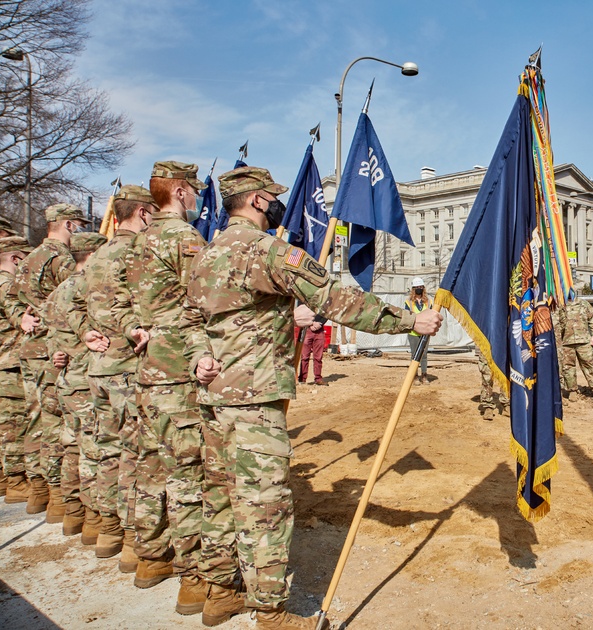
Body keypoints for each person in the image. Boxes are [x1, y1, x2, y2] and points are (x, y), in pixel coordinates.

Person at [180, 166, 442, 628]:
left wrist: (200, 356)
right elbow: (337, 300)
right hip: (254, 399)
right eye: (271, 197)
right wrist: (408, 321)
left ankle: (218, 591)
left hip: (213, 397)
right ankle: (270, 611)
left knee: (219, 494)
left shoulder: (206, 253)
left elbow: (187, 320)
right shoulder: (267, 250)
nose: (277, 203)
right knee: (265, 503)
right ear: (258, 201)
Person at [124, 162, 208, 610]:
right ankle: (194, 578)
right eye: (194, 190)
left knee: (150, 467)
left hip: (148, 373)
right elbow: (205, 299)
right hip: (180, 372)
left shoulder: (135, 242)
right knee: (187, 476)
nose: (197, 198)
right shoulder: (183, 238)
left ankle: (150, 558)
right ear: (179, 190)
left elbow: (117, 300)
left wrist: (131, 327)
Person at [77, 184, 154, 563]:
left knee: (105, 451)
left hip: (99, 370)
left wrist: (82, 332)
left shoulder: (97, 255)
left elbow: (69, 302)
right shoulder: (137, 251)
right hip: (128, 369)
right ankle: (129, 541)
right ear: (143, 213)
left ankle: (102, 527)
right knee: (136, 456)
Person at [14, 203, 89, 518]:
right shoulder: (62, 259)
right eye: (78, 226)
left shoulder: (29, 258)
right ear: (69, 225)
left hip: (32, 346)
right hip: (56, 348)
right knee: (63, 425)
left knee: (38, 420)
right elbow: (75, 299)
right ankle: (62, 499)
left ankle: (40, 491)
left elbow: (11, 296)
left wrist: (21, 318)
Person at [41, 232, 107, 537]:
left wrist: (58, 352)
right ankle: (96, 521)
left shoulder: (59, 290)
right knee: (95, 452)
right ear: (92, 256)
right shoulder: (90, 288)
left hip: (66, 380)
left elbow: (46, 328)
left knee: (71, 447)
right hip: (86, 380)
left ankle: (71, 512)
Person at [0, 236, 33, 504]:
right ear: (16, 259)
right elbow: (18, 317)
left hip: (1, 361)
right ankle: (15, 481)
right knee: (13, 424)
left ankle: (0, 477)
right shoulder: (6, 286)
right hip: (9, 363)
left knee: (2, 422)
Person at [554, 295, 593, 400]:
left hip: (584, 341)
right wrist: (557, 341)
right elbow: (556, 324)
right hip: (566, 342)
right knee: (568, 367)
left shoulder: (584, 303)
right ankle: (572, 390)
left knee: (590, 364)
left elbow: (592, 319)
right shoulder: (559, 305)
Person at [404, 277, 433, 385]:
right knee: (414, 355)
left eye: (420, 287)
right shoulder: (409, 302)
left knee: (424, 355)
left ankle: (424, 375)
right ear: (413, 289)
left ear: (423, 288)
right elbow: (407, 316)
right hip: (413, 332)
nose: (418, 289)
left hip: (425, 332)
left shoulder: (429, 301)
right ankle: (415, 376)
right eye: (416, 287)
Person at [298, 319, 327, 385]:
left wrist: (320, 323)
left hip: (319, 330)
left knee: (318, 357)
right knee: (304, 357)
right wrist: (311, 323)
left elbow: (327, 313)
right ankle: (302, 379)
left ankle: (318, 379)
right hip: (307, 328)